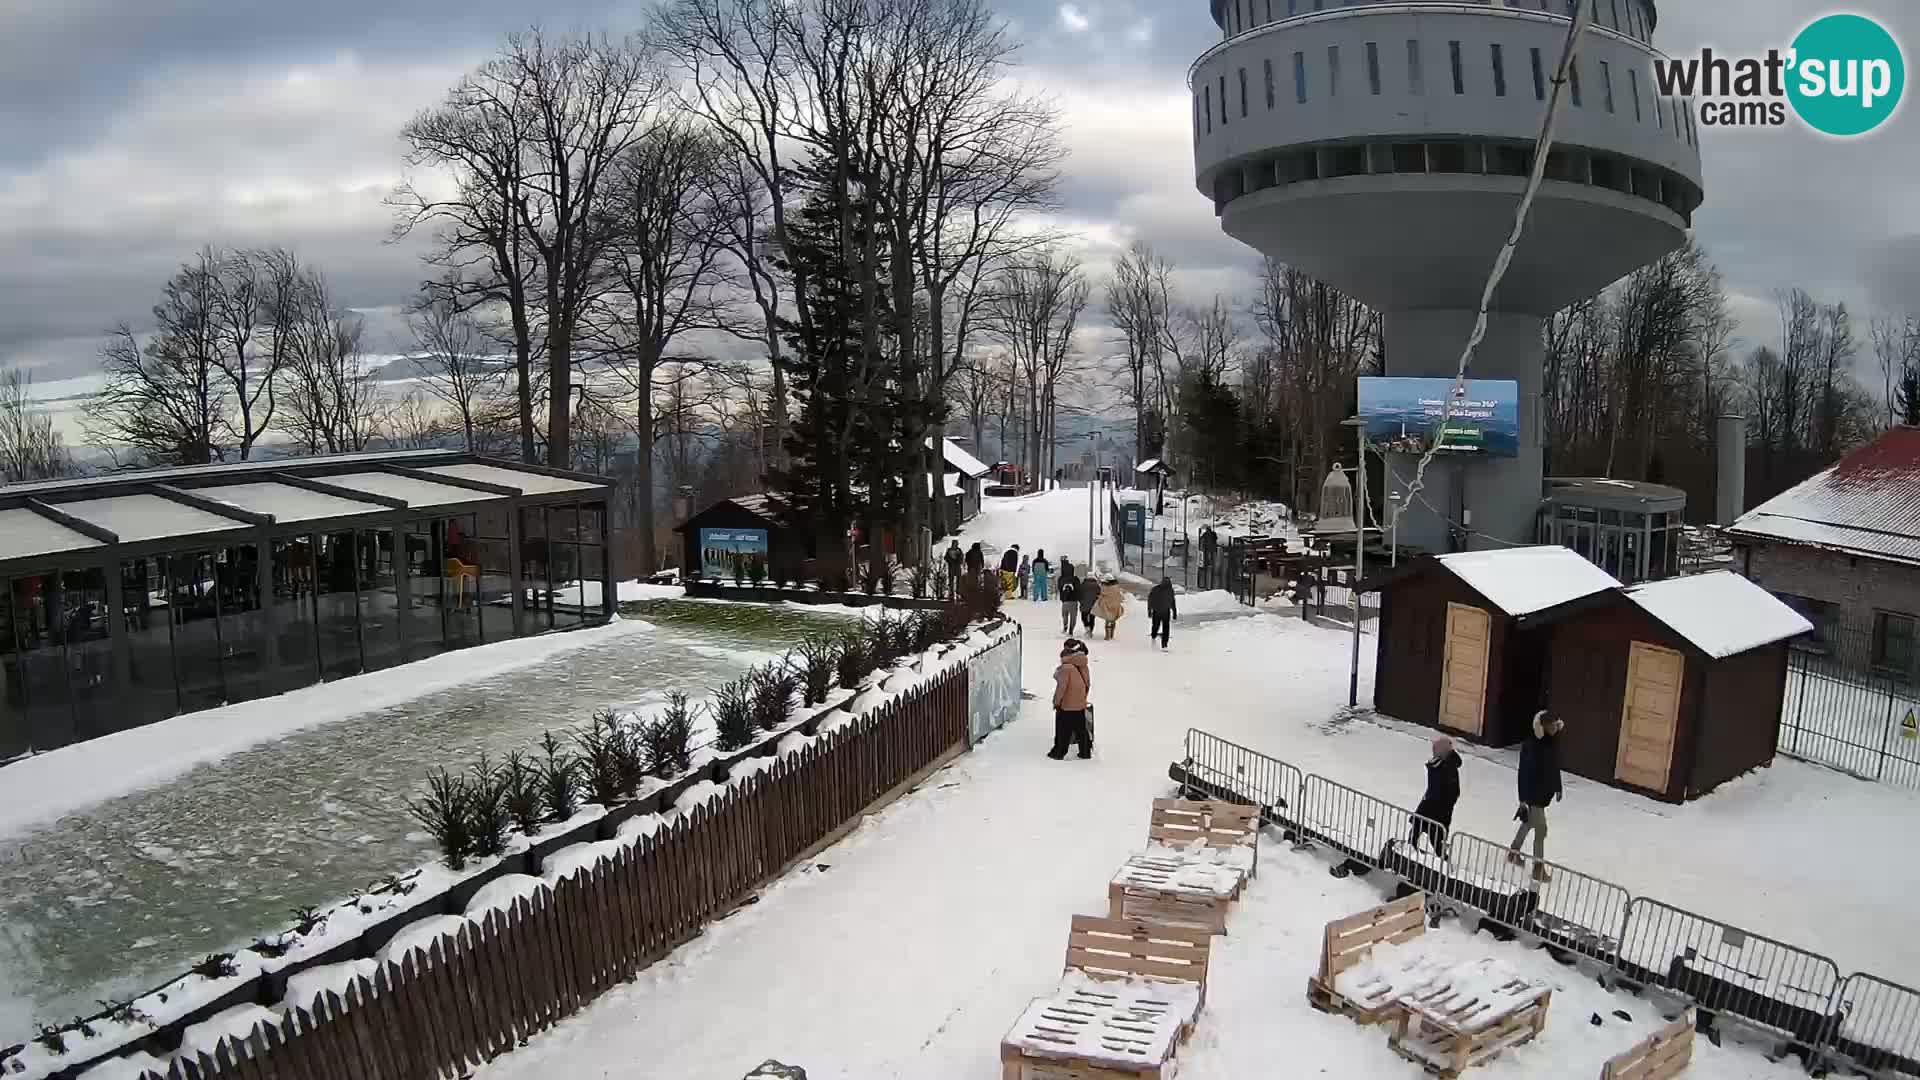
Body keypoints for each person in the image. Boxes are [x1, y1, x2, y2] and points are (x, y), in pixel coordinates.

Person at [1509, 710, 1565, 880]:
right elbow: (1524, 774)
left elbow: (1554, 766)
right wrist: (1523, 799)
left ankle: (1513, 852)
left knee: (1528, 823)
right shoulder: (1531, 745)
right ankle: (1538, 868)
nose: (1555, 727)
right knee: (1541, 830)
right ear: (1543, 726)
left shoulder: (1551, 742)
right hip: (1533, 795)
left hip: (1543, 794)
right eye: (1551, 724)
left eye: (1556, 723)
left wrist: (1558, 787)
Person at [1411, 735, 1463, 854]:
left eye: (1436, 750)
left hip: (1439, 808)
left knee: (1436, 836)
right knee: (1417, 826)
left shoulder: (1448, 767)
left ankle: (1441, 859)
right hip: (1429, 803)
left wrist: (1444, 804)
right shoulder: (1438, 764)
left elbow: (1453, 791)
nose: (1433, 752)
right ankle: (1411, 847)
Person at [1049, 638, 1093, 759]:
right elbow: (1087, 683)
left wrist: (1056, 702)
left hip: (1067, 705)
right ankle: (1085, 752)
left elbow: (1061, 689)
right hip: (1079, 703)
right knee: (1081, 730)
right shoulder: (1083, 665)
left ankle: (1058, 753)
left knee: (1063, 731)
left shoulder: (1066, 668)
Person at [1147, 576, 1177, 650]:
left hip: (1157, 611)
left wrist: (1149, 611)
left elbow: (1150, 600)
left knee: (1156, 625)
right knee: (1166, 628)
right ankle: (1164, 645)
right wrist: (1174, 612)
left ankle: (1154, 635)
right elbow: (1173, 602)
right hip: (1165, 612)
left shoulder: (1155, 589)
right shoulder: (1170, 590)